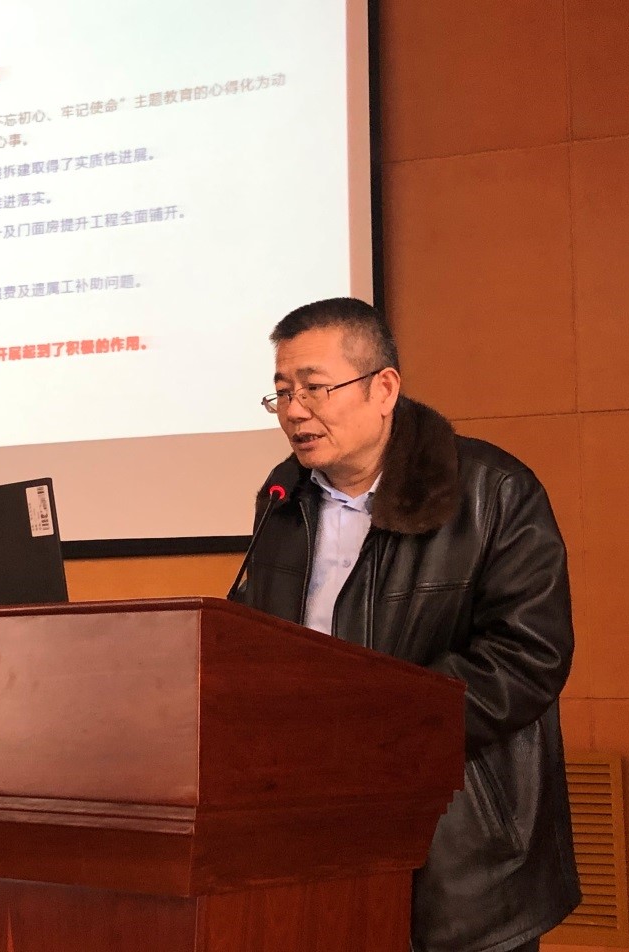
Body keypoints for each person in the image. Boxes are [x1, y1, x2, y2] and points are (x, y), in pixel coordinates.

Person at [232, 297, 581, 952]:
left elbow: (527, 658)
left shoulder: (492, 491)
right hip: (317, 842)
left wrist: (375, 729)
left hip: (458, 848)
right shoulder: (285, 498)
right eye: (281, 392)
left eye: (313, 388)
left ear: (383, 388)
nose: (294, 411)